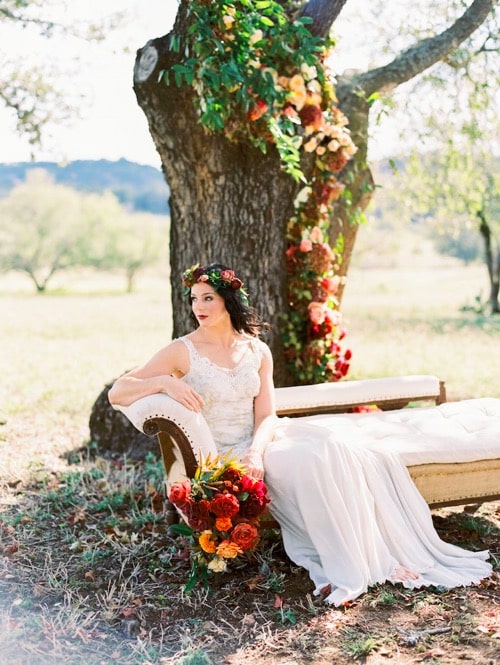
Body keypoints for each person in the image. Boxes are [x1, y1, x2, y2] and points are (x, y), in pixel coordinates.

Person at [108, 262, 492, 606]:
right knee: (308, 461)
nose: (199, 307)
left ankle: (381, 554)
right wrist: (165, 383)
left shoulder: (257, 350)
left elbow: (267, 415)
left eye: (208, 297)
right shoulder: (182, 351)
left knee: (331, 450)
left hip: (261, 440)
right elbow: (119, 391)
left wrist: (256, 453)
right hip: (222, 451)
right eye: (194, 299)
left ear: (229, 299)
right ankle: (349, 564)